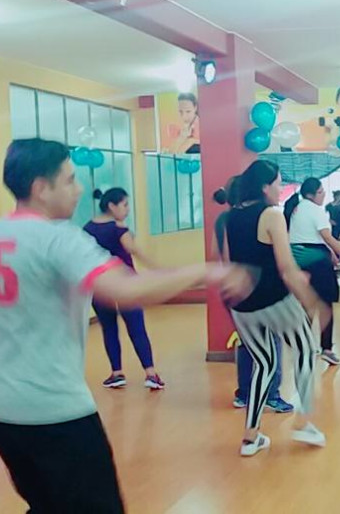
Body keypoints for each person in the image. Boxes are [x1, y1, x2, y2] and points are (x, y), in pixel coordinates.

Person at [0, 138, 247, 512]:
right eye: (69, 180)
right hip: (56, 413)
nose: (79, 189)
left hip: (7, 416)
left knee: (45, 503)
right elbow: (126, 291)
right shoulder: (60, 238)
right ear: (41, 188)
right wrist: (207, 271)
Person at [226, 160, 330, 457]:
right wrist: (313, 300)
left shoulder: (233, 215)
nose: (281, 188)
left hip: (243, 306)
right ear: (264, 187)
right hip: (275, 300)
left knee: (264, 364)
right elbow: (286, 267)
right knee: (306, 351)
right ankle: (305, 422)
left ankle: (251, 436)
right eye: (278, 183)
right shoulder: (272, 215)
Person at [212, 178, 292, 413]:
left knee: (247, 341)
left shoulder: (224, 220)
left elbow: (217, 255)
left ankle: (244, 393)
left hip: (232, 288)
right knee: (272, 340)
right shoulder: (260, 217)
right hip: (257, 287)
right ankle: (272, 394)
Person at [84, 188, 164, 390]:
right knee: (136, 328)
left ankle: (116, 373)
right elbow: (132, 249)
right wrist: (157, 268)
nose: (128, 209)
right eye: (125, 205)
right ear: (112, 206)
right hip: (126, 284)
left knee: (109, 328)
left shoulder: (87, 228)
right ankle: (151, 374)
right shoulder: (118, 228)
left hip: (100, 285)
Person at [285, 178, 340, 366]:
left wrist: (332, 255)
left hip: (298, 259)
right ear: (310, 195)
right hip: (316, 261)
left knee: (307, 303)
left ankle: (304, 345)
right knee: (326, 304)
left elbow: (312, 238)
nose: (323, 195)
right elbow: (327, 238)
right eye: (321, 192)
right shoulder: (316, 211)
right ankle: (327, 348)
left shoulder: (298, 209)